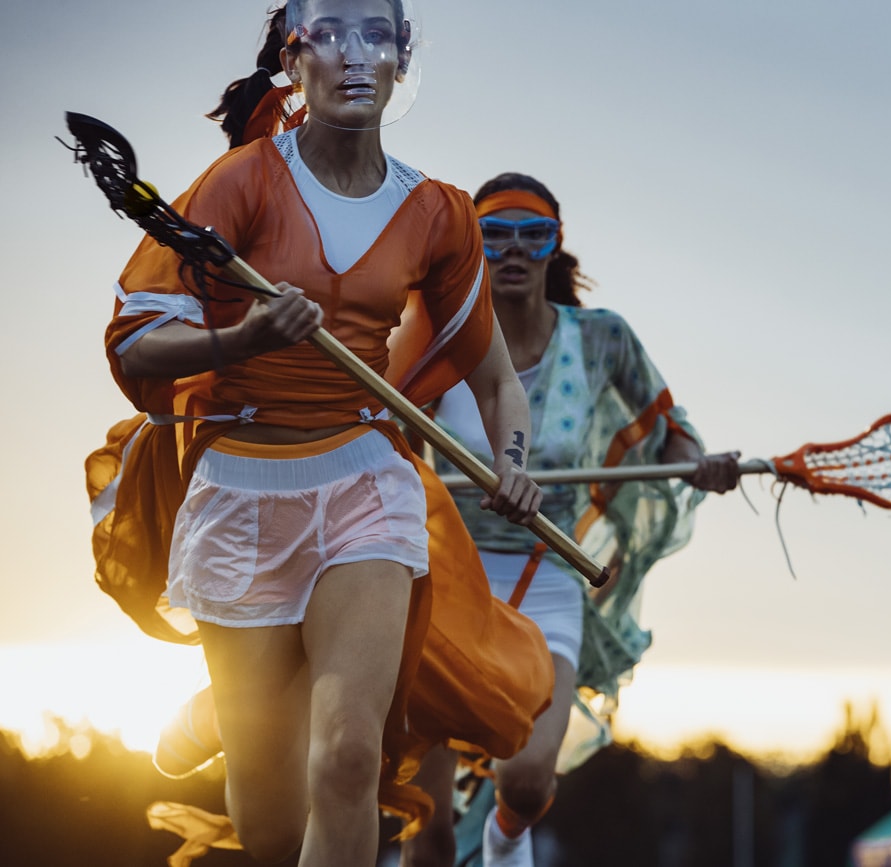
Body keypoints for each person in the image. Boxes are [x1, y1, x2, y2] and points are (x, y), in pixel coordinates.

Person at [90, 3, 555, 865]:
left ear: (401, 61)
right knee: (268, 821)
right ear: (293, 57)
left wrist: (513, 463)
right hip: (238, 490)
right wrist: (241, 340)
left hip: (365, 488)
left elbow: (495, 380)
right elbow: (135, 341)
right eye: (332, 33)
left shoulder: (439, 212)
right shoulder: (238, 183)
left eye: (378, 36)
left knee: (347, 752)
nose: (355, 55)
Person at [398, 173, 742, 867]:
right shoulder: (432, 336)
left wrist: (698, 464)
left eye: (535, 234)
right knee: (425, 831)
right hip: (445, 583)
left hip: (548, 573)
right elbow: (383, 434)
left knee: (525, 783)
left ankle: (503, 840)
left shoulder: (602, 339)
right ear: (473, 246)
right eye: (494, 234)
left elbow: (673, 431)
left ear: (556, 246)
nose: (515, 250)